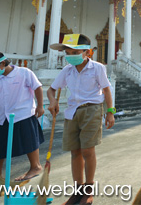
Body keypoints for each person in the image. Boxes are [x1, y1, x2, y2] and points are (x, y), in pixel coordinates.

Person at [47, 34, 115, 205]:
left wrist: (110, 112)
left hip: (91, 110)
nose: (71, 55)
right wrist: (53, 101)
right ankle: (78, 190)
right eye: (68, 52)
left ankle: (88, 190)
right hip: (72, 112)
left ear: (87, 52)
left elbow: (106, 90)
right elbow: (51, 90)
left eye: (75, 52)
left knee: (88, 150)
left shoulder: (97, 68)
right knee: (75, 151)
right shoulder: (67, 70)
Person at [0, 52, 44, 183]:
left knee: (29, 141)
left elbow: (38, 87)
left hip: (22, 113)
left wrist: (40, 106)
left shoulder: (24, 73)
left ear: (3, 64)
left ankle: (36, 167)